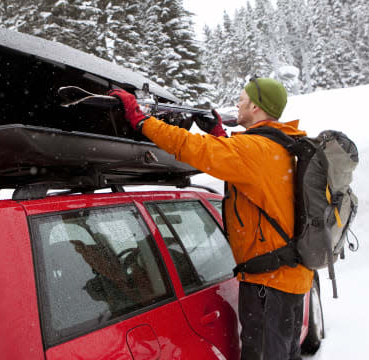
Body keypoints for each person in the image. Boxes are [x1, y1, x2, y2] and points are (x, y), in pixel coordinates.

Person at [109, 77, 314, 360]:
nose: (238, 103)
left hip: (270, 284)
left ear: (255, 106)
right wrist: (219, 133)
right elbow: (243, 166)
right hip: (287, 279)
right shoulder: (280, 146)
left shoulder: (256, 149)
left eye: (242, 98)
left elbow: (193, 147)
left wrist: (141, 120)